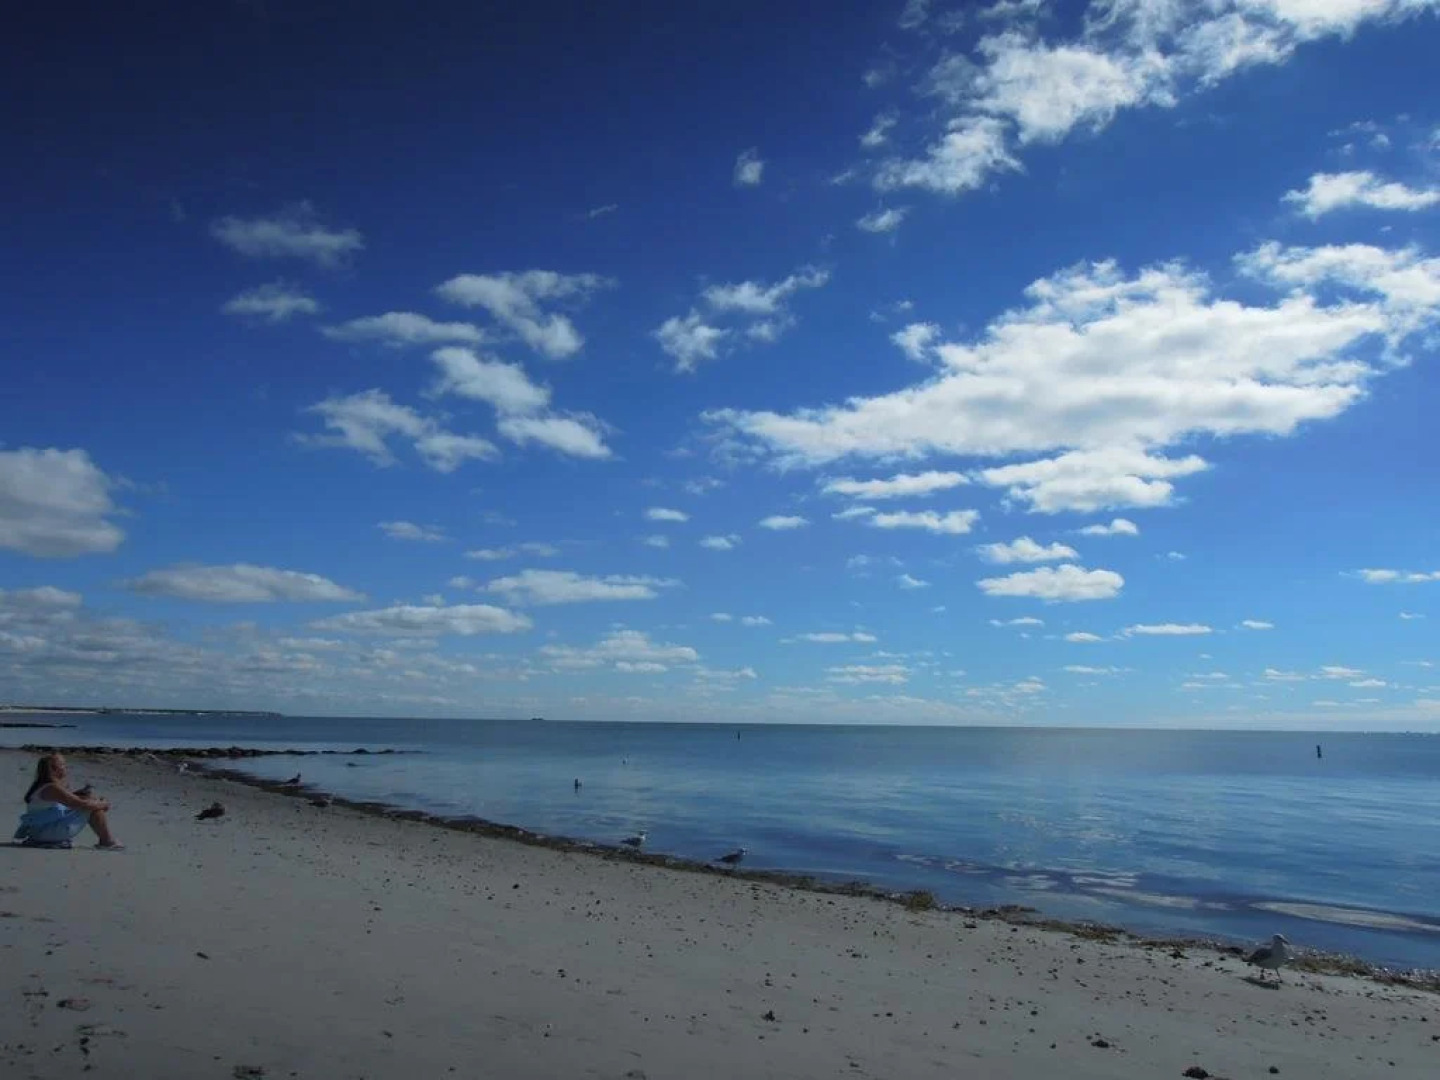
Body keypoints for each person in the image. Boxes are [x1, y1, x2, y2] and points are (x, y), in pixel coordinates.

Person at [14, 752, 123, 849]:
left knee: (92, 801)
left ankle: (106, 840)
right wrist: (103, 804)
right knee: (93, 806)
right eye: (63, 765)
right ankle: (107, 841)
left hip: (39, 831)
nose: (66, 768)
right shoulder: (52, 788)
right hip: (45, 833)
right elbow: (80, 804)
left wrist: (84, 797)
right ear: (54, 769)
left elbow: (67, 802)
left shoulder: (43, 786)